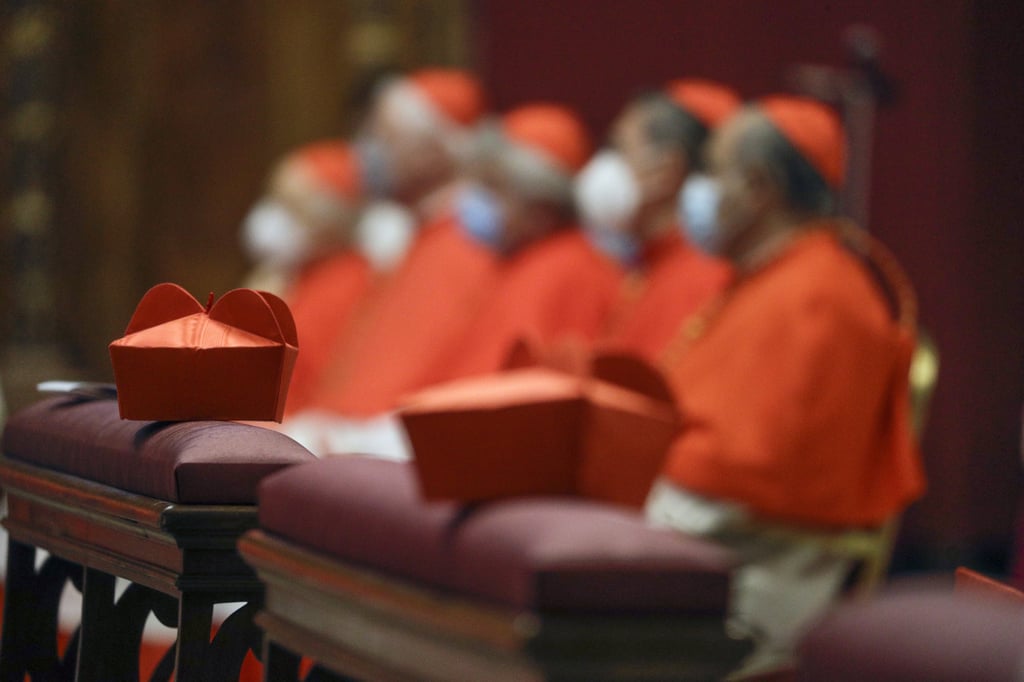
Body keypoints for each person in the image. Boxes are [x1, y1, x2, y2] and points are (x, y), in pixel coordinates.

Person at [643, 95, 926, 676]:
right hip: (700, 547)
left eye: (712, 170)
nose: (698, 189)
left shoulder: (818, 299)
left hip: (753, 576)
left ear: (760, 186)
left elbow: (749, 470)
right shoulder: (765, 277)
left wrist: (618, 487)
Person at [282, 69, 492, 452]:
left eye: (386, 138)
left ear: (436, 149)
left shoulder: (468, 243)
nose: (370, 150)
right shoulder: (416, 235)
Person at [428, 103, 623, 382]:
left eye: (493, 187)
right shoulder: (524, 259)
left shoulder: (563, 271)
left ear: (541, 206)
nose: (474, 199)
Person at [575, 79, 737, 360]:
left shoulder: (696, 279)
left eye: (619, 149)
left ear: (666, 171)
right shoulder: (647, 264)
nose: (603, 166)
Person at [240, 140, 374, 415]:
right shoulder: (291, 271)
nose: (273, 217)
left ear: (331, 221)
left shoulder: (350, 285)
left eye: (291, 208)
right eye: (273, 198)